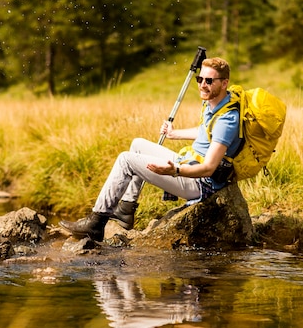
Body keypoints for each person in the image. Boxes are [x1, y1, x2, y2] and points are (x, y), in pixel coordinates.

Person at [60, 57, 242, 242]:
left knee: (125, 159)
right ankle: (125, 210)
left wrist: (175, 171)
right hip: (190, 163)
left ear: (224, 83)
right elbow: (205, 132)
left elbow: (209, 168)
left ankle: (96, 223)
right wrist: (174, 134)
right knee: (138, 144)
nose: (202, 85)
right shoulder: (214, 102)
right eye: (200, 79)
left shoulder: (227, 119)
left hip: (201, 183)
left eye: (209, 81)